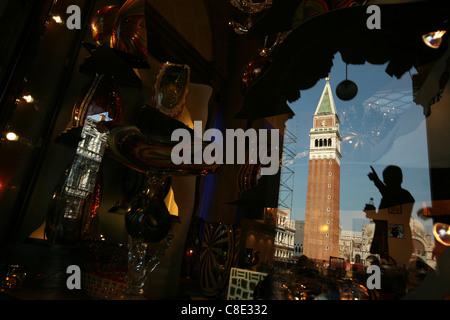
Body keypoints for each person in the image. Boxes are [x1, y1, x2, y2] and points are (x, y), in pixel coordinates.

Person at [365, 165, 415, 268]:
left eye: (387, 179)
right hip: (391, 242)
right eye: (385, 179)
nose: (385, 181)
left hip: (396, 242)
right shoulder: (398, 196)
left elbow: (392, 221)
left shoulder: (402, 196)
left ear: (397, 179)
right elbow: (387, 219)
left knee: (395, 270)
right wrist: (373, 214)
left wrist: (377, 181)